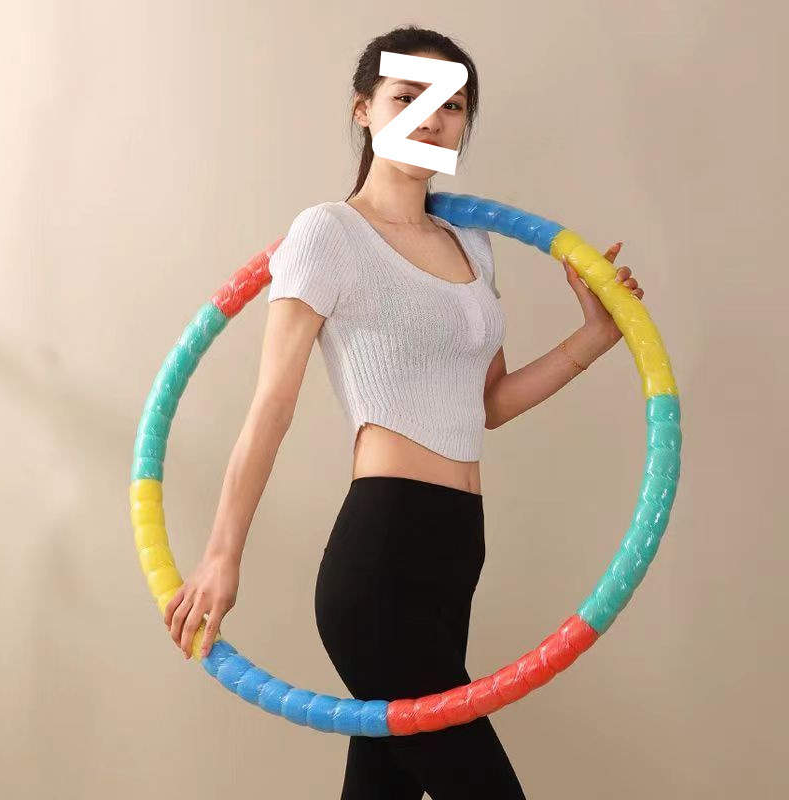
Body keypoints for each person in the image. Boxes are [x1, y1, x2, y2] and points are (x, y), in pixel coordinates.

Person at [163, 23, 644, 800]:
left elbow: (488, 404)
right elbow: (272, 407)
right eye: (407, 96)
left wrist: (594, 336)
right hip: (381, 555)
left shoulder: (473, 245)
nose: (432, 117)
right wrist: (222, 555)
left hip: (457, 549)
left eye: (451, 104)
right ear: (364, 109)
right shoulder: (327, 234)